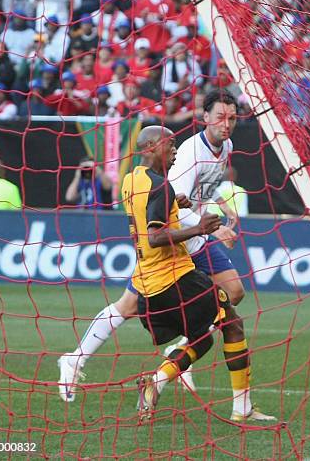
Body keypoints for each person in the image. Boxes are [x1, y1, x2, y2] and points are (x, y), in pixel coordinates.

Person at [58, 90, 276, 422]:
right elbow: (169, 200)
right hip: (178, 243)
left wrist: (222, 205)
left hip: (192, 238)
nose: (227, 124)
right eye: (220, 116)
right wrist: (211, 229)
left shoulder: (226, 148)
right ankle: (78, 358)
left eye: (232, 117)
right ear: (205, 118)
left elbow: (203, 189)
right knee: (133, 307)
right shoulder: (187, 153)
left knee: (233, 294)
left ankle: (194, 369)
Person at [120, 125, 222, 421]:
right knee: (230, 317)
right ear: (151, 147)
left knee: (203, 339)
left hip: (147, 288)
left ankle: (157, 382)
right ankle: (243, 409)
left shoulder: (131, 179)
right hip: (174, 279)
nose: (175, 149)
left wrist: (173, 205)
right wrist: (198, 228)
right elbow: (155, 236)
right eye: (170, 144)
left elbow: (144, 211)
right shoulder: (160, 186)